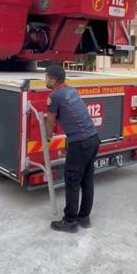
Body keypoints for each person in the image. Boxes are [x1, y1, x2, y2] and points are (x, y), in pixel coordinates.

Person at [45, 64, 101, 233]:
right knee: (87, 180)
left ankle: (70, 221)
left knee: (72, 181)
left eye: (46, 77)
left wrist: (48, 136)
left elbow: (50, 120)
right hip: (93, 139)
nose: (45, 80)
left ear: (53, 80)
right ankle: (84, 217)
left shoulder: (55, 96)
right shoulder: (71, 90)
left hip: (80, 143)